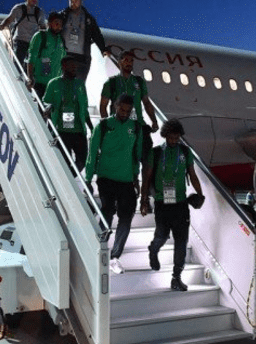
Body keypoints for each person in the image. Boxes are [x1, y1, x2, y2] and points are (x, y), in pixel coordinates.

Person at [140, 119, 203, 291]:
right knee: (162, 236)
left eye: (177, 138)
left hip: (181, 203)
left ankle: (176, 277)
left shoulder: (185, 151)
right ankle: (153, 249)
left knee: (181, 241)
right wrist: (144, 200)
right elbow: (147, 177)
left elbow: (192, 174)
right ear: (165, 135)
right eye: (171, 138)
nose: (174, 141)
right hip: (162, 203)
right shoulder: (156, 153)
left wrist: (200, 193)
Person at [86, 94, 142, 274]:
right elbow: (92, 153)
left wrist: (136, 178)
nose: (124, 113)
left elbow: (136, 155)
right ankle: (98, 250)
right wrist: (88, 179)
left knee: (126, 218)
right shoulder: (103, 126)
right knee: (107, 213)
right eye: (121, 109)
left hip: (126, 180)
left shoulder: (135, 127)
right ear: (115, 106)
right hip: (106, 177)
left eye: (128, 111)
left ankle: (115, 257)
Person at [100, 50, 159, 165]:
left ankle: (144, 177)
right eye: (126, 60)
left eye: (131, 61)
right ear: (119, 62)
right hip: (119, 127)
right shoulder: (111, 82)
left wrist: (154, 121)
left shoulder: (139, 81)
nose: (129, 63)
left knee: (147, 159)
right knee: (123, 160)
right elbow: (103, 106)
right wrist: (108, 125)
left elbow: (146, 102)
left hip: (139, 125)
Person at [42, 55, 90, 175]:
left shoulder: (80, 84)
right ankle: (66, 179)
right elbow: (45, 101)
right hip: (62, 131)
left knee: (82, 162)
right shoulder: (53, 83)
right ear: (64, 67)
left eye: (75, 66)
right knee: (64, 162)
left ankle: (69, 178)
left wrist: (91, 127)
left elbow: (85, 108)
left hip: (79, 131)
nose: (75, 68)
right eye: (71, 65)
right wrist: (48, 106)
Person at [59, 0, 106, 82]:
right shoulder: (62, 16)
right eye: (71, 0)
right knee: (62, 82)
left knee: (79, 84)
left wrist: (104, 49)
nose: (73, 2)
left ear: (81, 1)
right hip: (65, 55)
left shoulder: (89, 19)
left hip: (81, 58)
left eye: (75, 0)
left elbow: (97, 35)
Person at [0, 0, 47, 68]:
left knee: (30, 66)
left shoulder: (39, 12)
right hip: (20, 42)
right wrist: (1, 26)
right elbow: (9, 19)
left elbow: (42, 27)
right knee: (17, 64)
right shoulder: (18, 8)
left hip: (33, 44)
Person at [27, 12, 67, 98]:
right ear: (49, 23)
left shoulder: (61, 40)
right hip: (39, 83)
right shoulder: (40, 36)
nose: (59, 26)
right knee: (39, 105)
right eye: (56, 23)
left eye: (61, 24)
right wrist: (30, 77)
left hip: (55, 85)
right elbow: (31, 58)